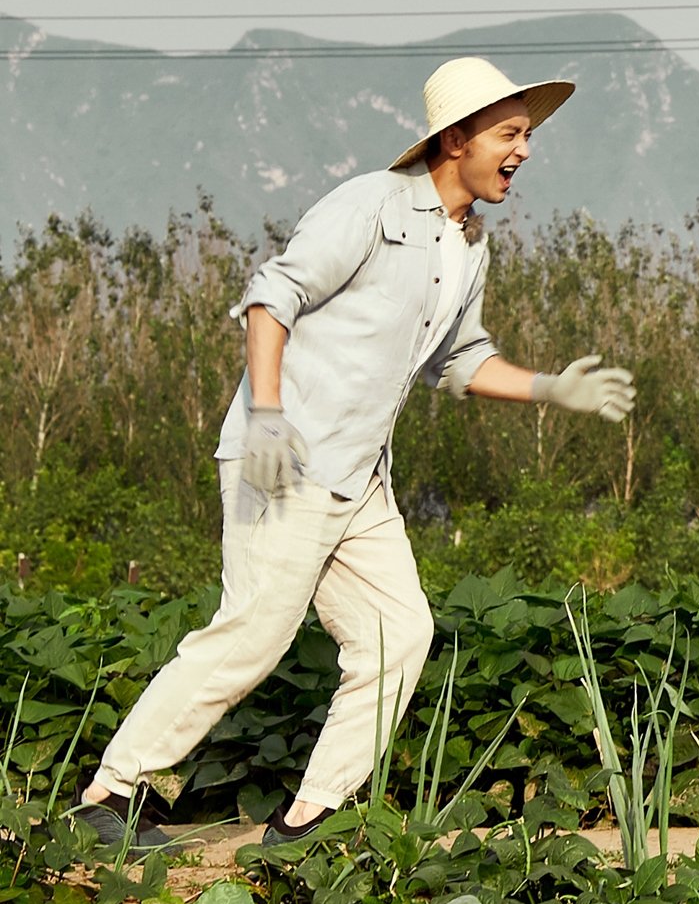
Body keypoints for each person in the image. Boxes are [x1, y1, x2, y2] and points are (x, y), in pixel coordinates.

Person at [70, 57, 638, 852]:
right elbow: (271, 299)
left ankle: (307, 820)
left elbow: (459, 358)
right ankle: (107, 794)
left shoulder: (468, 242)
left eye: (527, 134)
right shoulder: (371, 204)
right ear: (455, 139)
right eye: (510, 133)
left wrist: (550, 387)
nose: (524, 149)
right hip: (288, 458)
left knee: (398, 633)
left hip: (360, 477)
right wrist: (267, 416)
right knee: (251, 635)